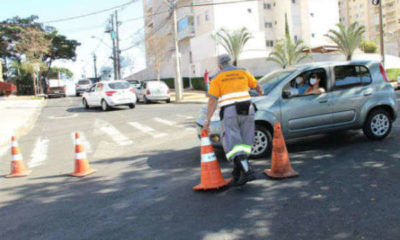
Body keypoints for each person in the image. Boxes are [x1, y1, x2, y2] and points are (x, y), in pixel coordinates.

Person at [202, 54, 264, 186]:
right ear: (231, 62)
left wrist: (207, 120)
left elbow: (213, 100)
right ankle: (237, 172)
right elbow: (257, 86)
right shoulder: (243, 71)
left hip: (230, 112)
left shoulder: (217, 77)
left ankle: (248, 171)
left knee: (233, 143)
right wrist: (260, 91)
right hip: (247, 109)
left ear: (219, 66)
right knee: (245, 142)